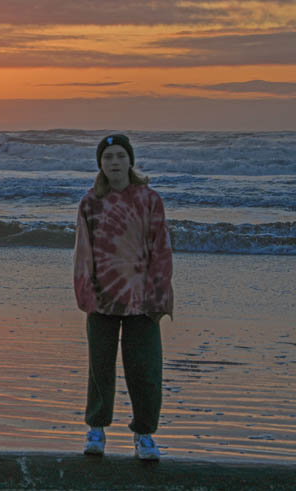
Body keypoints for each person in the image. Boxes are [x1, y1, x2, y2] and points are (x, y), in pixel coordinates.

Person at [73, 133, 173, 461]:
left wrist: (159, 292)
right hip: (102, 297)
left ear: (130, 161)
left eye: (120, 156)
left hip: (142, 298)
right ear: (100, 165)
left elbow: (161, 248)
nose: (114, 162)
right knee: (100, 367)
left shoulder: (149, 199)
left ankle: (144, 434)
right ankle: (96, 429)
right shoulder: (90, 202)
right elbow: (83, 251)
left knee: (145, 369)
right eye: (108, 157)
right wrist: (84, 291)